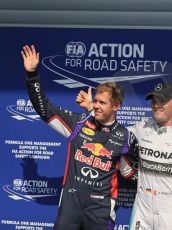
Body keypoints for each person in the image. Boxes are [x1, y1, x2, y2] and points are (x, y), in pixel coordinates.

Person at [21, 45, 139, 230]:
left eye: (102, 103)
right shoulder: (78, 123)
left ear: (116, 106)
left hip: (101, 209)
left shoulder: (126, 137)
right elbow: (44, 108)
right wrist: (32, 75)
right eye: (96, 102)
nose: (97, 106)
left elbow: (131, 172)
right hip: (71, 204)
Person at [77, 82, 172, 230]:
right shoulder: (142, 128)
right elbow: (112, 135)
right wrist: (92, 109)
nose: (156, 105)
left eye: (163, 101)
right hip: (143, 208)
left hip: (171, 210)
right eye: (154, 101)